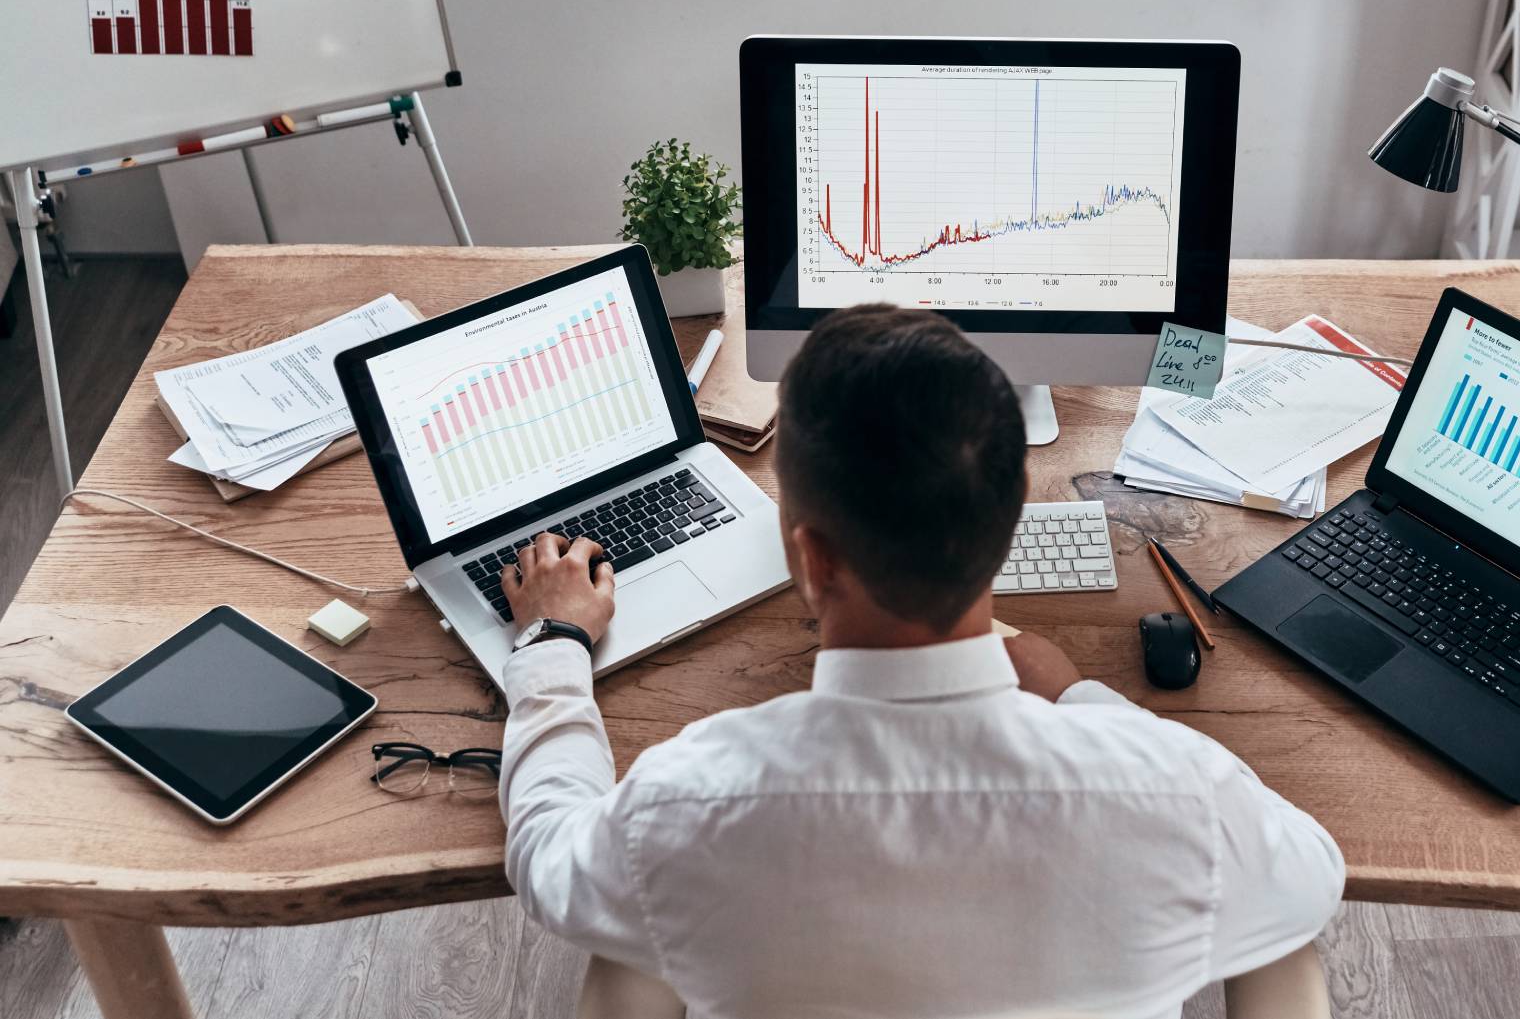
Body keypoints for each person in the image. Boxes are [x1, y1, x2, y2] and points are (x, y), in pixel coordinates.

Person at [499, 304, 1344, 1019]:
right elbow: (1310, 877)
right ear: (1012, 516)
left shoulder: (685, 803)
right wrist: (1086, 698)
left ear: (812, 557)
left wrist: (556, 642)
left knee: (623, 949)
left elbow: (547, 856)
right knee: (1278, 937)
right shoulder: (1181, 794)